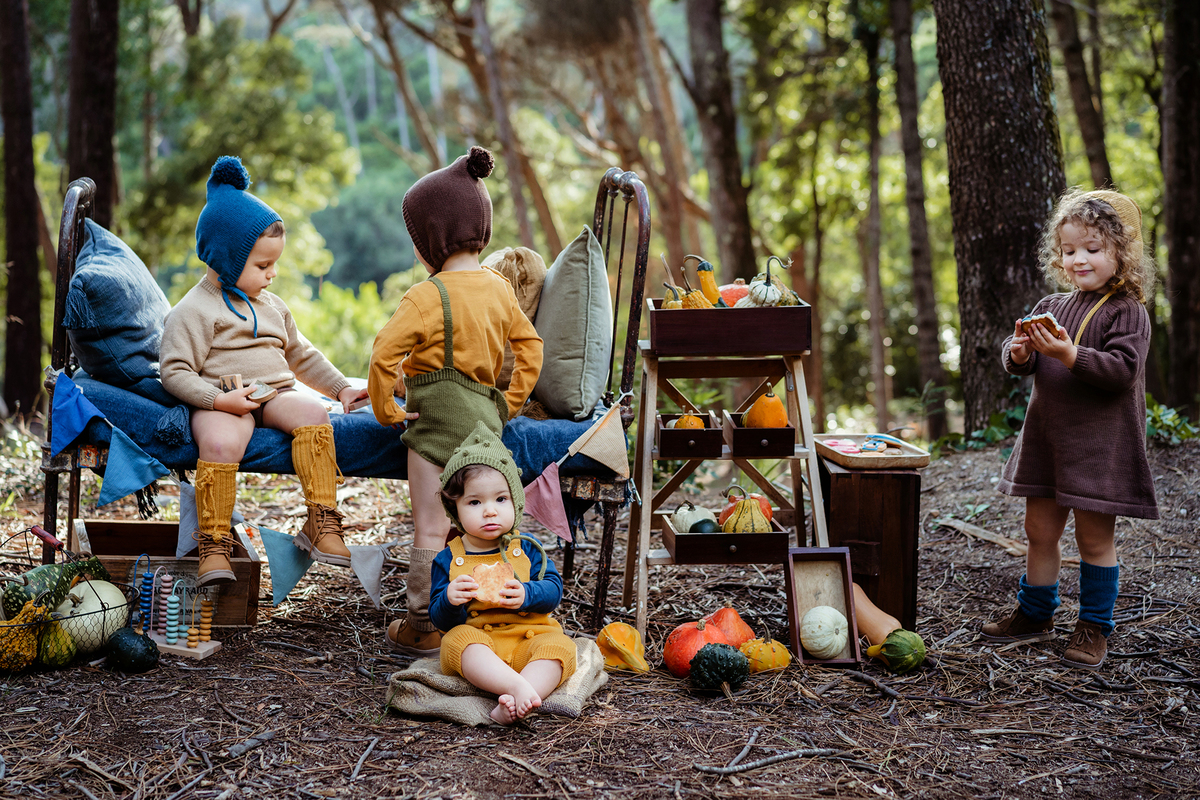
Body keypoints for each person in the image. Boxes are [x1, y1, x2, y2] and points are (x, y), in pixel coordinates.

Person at [161, 156, 369, 586]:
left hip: (272, 394)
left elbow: (301, 354)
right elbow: (175, 371)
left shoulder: (272, 307)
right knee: (219, 442)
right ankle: (213, 543)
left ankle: (321, 521)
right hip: (223, 401)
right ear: (223, 258)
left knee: (313, 416)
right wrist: (217, 400)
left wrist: (341, 388)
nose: (272, 275)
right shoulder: (195, 310)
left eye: (274, 264)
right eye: (262, 266)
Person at [368, 146, 543, 656]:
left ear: (430, 241)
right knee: (483, 524)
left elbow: (383, 355)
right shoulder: (499, 290)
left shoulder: (423, 297)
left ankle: (424, 626)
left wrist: (386, 409)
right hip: (484, 429)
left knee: (430, 525)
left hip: (430, 429)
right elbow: (530, 347)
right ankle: (486, 613)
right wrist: (508, 402)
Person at [981, 189, 1159, 669]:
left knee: (1094, 540)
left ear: (1120, 254)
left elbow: (1123, 370)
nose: (1079, 259)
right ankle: (1036, 612)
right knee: (1038, 529)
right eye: (1069, 250)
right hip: (1047, 440)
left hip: (1100, 447)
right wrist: (1019, 352)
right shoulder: (1053, 304)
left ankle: (1095, 626)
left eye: (1093, 249)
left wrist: (1068, 354)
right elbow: (1025, 358)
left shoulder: (1127, 311)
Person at [429, 421, 575, 725]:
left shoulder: (527, 549)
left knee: (560, 648)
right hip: (484, 645)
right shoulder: (448, 558)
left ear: (515, 502)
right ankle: (518, 689)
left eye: (500, 499)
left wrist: (527, 594)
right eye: (474, 502)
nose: (490, 511)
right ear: (454, 509)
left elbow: (553, 590)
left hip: (529, 640)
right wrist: (450, 600)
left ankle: (516, 698)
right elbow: (439, 618)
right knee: (456, 641)